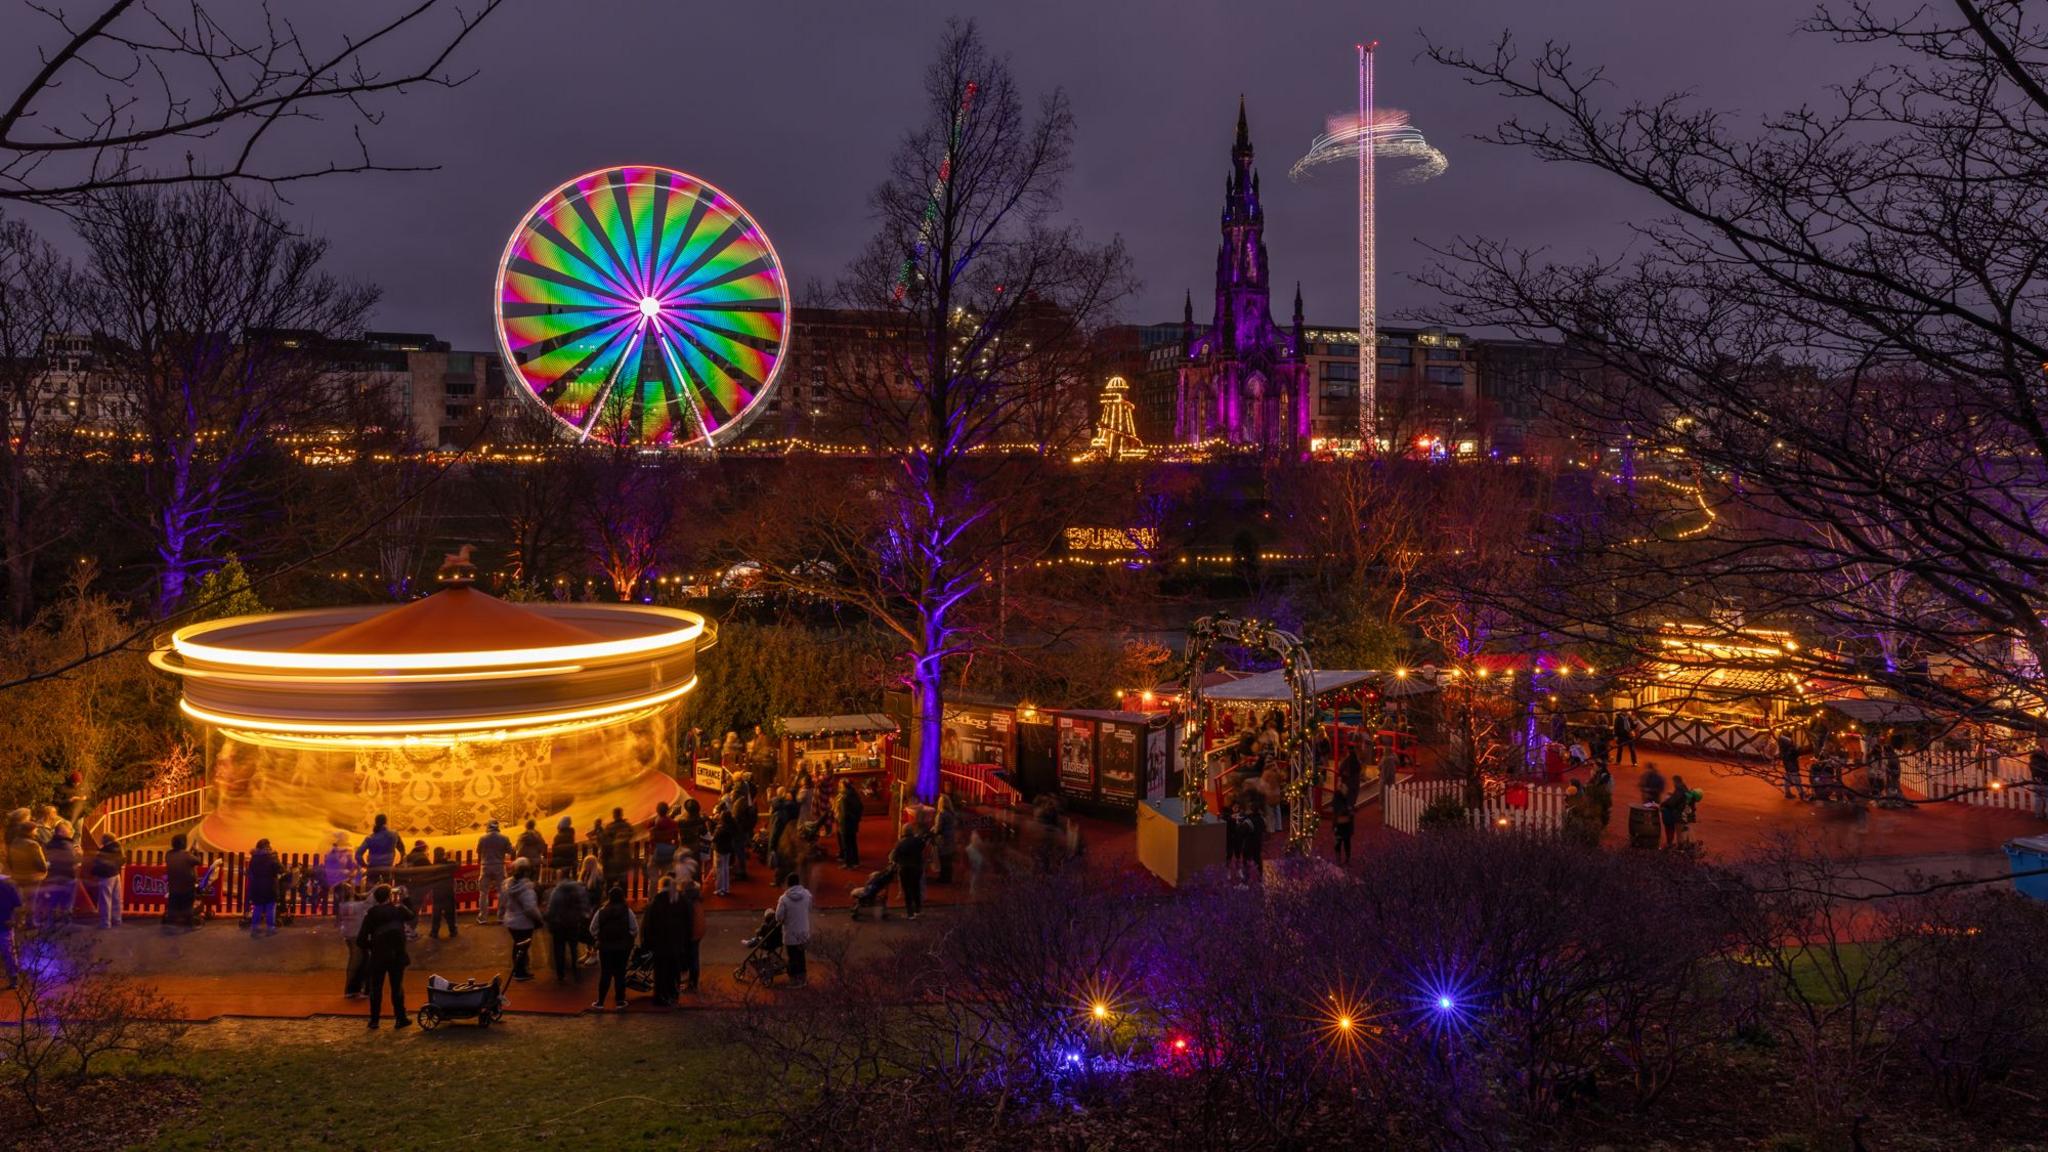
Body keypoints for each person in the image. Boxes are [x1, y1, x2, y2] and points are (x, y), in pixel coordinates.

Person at [356, 883, 415, 1029]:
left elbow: (361, 940)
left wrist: (374, 947)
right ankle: (400, 1017)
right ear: (389, 896)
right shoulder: (398, 910)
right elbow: (412, 915)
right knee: (397, 987)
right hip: (397, 955)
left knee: (376, 988)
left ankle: (374, 1020)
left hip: (378, 956)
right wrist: (405, 898)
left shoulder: (371, 914)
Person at [640, 875, 688, 1006]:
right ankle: (674, 995)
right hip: (676, 943)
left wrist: (646, 943)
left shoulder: (656, 903)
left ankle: (660, 997)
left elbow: (648, 925)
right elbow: (688, 922)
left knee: (661, 971)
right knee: (674, 971)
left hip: (660, 944)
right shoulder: (681, 901)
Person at [588, 884, 637, 1011]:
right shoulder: (628, 911)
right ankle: (620, 1001)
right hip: (622, 947)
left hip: (606, 947)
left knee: (605, 973)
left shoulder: (602, 911)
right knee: (620, 973)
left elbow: (592, 928)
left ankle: (600, 1001)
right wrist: (628, 937)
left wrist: (599, 937)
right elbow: (634, 929)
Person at [542, 859, 590, 981]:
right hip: (573, 923)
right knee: (574, 948)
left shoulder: (557, 890)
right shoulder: (578, 888)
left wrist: (546, 917)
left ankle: (560, 974)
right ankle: (575, 970)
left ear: (560, 876)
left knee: (559, 949)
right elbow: (584, 904)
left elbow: (552, 908)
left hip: (559, 924)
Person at [775, 872, 813, 986]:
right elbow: (809, 908)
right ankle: (803, 979)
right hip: (804, 931)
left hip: (790, 933)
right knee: (801, 956)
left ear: (788, 883)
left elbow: (778, 917)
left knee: (792, 957)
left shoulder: (784, 899)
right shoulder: (807, 894)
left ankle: (794, 981)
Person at [39, 824, 77, 929]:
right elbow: (71, 860)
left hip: (53, 877)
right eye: (68, 829)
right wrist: (78, 855)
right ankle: (66, 926)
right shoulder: (66, 844)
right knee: (67, 904)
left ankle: (50, 924)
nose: (70, 831)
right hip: (67, 877)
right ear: (61, 832)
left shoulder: (49, 844)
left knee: (52, 903)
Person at [335, 881, 369, 997]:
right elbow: (369, 901)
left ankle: (355, 987)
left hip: (349, 934)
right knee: (356, 960)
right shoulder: (355, 905)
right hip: (356, 935)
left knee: (359, 959)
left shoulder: (343, 905)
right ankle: (351, 988)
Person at [475, 820, 512, 924]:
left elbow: (478, 851)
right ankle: (501, 917)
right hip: (499, 866)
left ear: (488, 827)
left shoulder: (482, 838)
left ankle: (483, 918)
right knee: (502, 892)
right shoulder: (504, 838)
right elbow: (510, 851)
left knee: (483, 892)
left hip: (485, 866)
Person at [246, 838, 281, 937]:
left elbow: (251, 872)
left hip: (257, 886)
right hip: (270, 886)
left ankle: (255, 928)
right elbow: (280, 869)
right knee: (270, 907)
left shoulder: (254, 857)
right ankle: (270, 928)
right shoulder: (272, 857)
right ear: (267, 846)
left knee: (258, 907)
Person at [164, 833, 198, 931]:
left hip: (173, 888)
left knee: (173, 904)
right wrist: (195, 852)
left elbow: (181, 858)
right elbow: (197, 861)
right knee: (189, 903)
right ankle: (189, 923)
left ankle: (171, 921)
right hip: (187, 889)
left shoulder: (168, 854)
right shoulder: (187, 855)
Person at [355, 814, 402, 886]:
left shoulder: (370, 838)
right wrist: (398, 864)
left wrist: (365, 865)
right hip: (388, 868)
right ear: (386, 822)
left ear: (375, 822)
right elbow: (402, 850)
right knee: (387, 890)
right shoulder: (393, 835)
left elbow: (358, 854)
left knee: (371, 890)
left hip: (373, 869)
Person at [425, 847, 459, 940]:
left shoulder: (433, 866)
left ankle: (434, 932)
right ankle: (452, 931)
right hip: (448, 891)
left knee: (436, 912)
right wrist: (451, 856)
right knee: (450, 912)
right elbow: (457, 865)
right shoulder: (449, 864)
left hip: (437, 891)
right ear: (443, 854)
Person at [89, 833, 122, 928]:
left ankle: (105, 922)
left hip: (106, 876)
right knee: (116, 898)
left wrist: (94, 872)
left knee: (105, 899)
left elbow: (99, 864)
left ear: (105, 840)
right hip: (116, 874)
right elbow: (122, 860)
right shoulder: (118, 848)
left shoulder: (104, 851)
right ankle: (117, 919)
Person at [679, 874, 705, 993]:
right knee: (694, 957)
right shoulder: (697, 898)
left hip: (692, 932)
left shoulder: (687, 899)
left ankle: (692, 984)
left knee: (691, 958)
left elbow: (687, 919)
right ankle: (693, 981)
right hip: (698, 930)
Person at [1661, 775, 1702, 847]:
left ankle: (1681, 848)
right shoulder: (1687, 792)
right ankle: (1687, 846)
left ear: (1676, 782)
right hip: (1686, 817)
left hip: (1680, 816)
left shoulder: (1680, 790)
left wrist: (1663, 804)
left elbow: (1672, 802)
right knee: (1686, 832)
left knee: (1680, 834)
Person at [710, 802, 737, 898]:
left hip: (720, 850)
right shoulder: (731, 826)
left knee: (719, 870)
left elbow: (714, 839)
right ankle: (726, 888)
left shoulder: (720, 828)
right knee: (725, 869)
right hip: (728, 849)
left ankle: (719, 889)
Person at [836, 780, 864, 868]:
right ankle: (856, 861)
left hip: (845, 824)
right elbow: (861, 807)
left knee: (846, 844)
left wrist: (839, 820)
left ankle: (848, 863)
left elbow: (844, 813)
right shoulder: (854, 795)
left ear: (844, 787)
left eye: (840, 785)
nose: (839, 787)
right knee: (853, 843)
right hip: (853, 823)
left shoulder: (844, 797)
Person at [0, 872, 20, 989]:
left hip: (4, 923)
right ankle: (13, 977)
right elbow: (17, 904)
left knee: (8, 950)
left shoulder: (7, 885)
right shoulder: (8, 885)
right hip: (5, 922)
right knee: (8, 950)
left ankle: (13, 976)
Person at [933, 795, 959, 884]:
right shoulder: (952, 813)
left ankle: (943, 878)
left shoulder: (941, 814)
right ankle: (948, 878)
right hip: (951, 838)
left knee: (943, 858)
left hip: (943, 839)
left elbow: (938, 828)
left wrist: (933, 831)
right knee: (948, 859)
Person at [1331, 779, 1356, 864]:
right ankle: (1340, 859)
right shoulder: (1338, 796)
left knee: (1345, 842)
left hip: (1344, 824)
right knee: (1341, 842)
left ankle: (1345, 858)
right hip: (1341, 823)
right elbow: (1338, 809)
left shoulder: (1347, 796)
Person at [1777, 730, 1806, 800]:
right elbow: (1794, 753)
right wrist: (1798, 749)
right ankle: (1801, 793)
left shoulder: (1782, 744)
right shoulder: (1789, 745)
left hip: (1787, 762)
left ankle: (1787, 792)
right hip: (1791, 763)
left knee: (1788, 777)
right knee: (1796, 778)